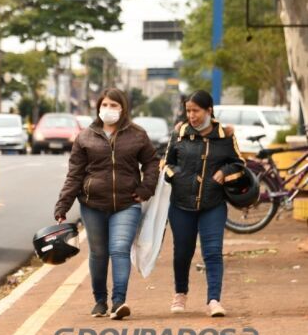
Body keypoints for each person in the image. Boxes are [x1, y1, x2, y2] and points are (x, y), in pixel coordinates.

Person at [54, 88, 159, 320]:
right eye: (105, 105)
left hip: (126, 203)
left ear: (123, 109)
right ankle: (99, 300)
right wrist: (63, 206)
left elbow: (152, 162)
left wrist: (145, 189)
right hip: (92, 205)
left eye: (114, 105)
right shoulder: (85, 137)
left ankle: (118, 301)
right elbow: (74, 175)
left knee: (120, 249)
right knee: (99, 253)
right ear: (98, 107)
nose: (108, 110)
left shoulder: (137, 135)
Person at [163, 90, 244, 317]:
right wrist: (174, 175)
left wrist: (225, 172)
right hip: (181, 204)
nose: (192, 115)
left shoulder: (225, 135)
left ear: (209, 111)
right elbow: (166, 163)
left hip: (213, 204)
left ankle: (214, 300)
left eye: (196, 111)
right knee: (182, 253)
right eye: (188, 111)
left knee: (213, 252)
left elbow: (239, 165)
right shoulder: (179, 133)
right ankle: (180, 294)